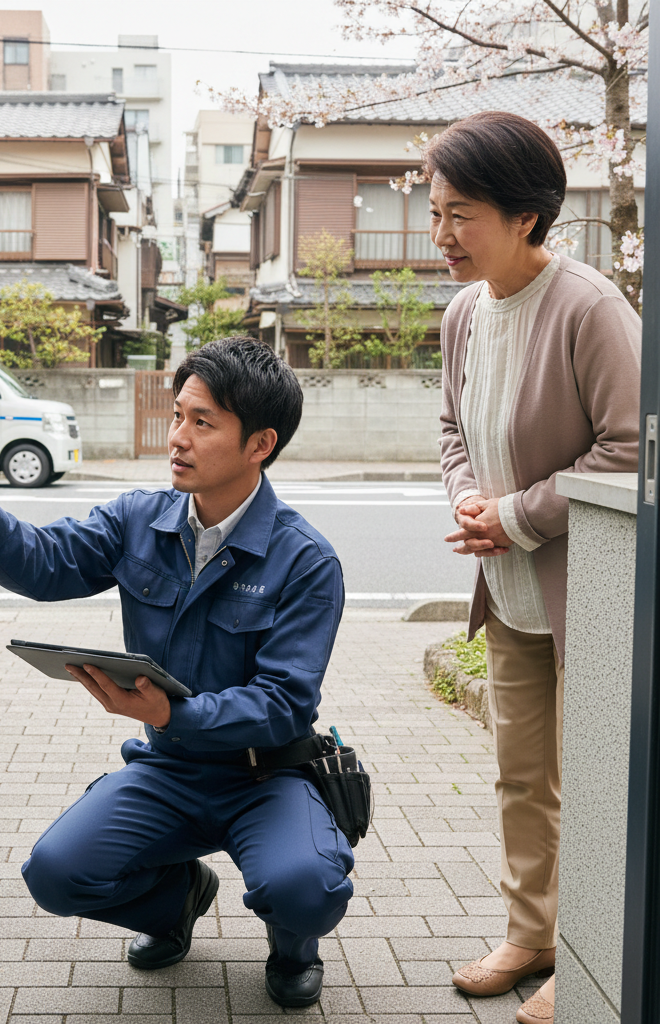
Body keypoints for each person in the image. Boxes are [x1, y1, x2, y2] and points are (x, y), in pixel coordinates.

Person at [0, 337, 354, 1008]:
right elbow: (48, 564)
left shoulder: (305, 561)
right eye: (177, 416)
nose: (178, 438)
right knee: (56, 873)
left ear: (259, 444)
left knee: (304, 886)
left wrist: (173, 712)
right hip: (172, 769)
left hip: (268, 773)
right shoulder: (140, 519)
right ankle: (175, 903)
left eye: (203, 422)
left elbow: (283, 703)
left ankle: (293, 944)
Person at [431, 111, 641, 1024]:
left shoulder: (591, 308)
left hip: (590, 589)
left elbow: (632, 450)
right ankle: (532, 933)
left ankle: (592, 957)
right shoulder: (463, 314)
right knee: (523, 775)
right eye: (435, 212)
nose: (441, 235)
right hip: (511, 592)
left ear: (526, 217)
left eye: (461, 215)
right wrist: (467, 499)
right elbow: (451, 429)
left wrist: (515, 514)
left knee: (599, 780)